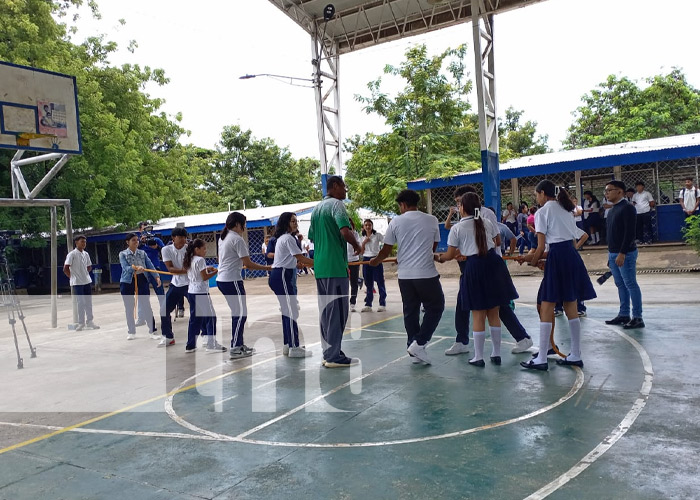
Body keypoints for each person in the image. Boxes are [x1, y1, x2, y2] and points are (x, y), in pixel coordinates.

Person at [520, 181, 597, 371]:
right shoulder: (566, 210)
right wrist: (534, 257)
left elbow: (540, 246)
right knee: (570, 305)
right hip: (571, 255)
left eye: (537, 194)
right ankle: (575, 354)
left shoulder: (542, 212)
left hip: (558, 256)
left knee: (546, 305)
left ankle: (542, 359)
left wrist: (531, 261)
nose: (536, 198)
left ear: (543, 193)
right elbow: (562, 243)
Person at [436, 192, 518, 367]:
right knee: (494, 313)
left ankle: (478, 356)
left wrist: (438, 258)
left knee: (478, 314)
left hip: (474, 267)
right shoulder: (487, 222)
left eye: (459, 205)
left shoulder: (458, 228)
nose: (458, 207)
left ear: (463, 208)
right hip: (494, 265)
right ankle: (496, 354)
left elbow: (449, 255)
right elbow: (497, 242)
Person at [369, 189, 444, 365]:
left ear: (402, 205)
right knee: (436, 306)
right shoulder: (431, 220)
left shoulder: (396, 222)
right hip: (426, 274)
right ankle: (419, 343)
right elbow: (432, 246)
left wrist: (376, 261)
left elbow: (386, 249)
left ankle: (414, 345)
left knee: (411, 311)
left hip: (405, 276)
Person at [309, 175, 362, 368]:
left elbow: (313, 237)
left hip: (321, 267)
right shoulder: (336, 205)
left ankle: (329, 351)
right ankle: (333, 356)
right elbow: (344, 232)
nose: (345, 191)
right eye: (344, 187)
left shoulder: (316, 209)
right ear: (335, 186)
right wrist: (357, 245)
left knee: (326, 311)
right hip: (335, 266)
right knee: (338, 311)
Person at [217, 212, 272, 360]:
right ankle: (235, 347)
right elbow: (248, 264)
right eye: (244, 224)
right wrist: (268, 268)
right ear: (237, 224)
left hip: (223, 280)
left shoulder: (224, 238)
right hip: (232, 280)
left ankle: (239, 344)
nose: (244, 227)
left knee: (238, 312)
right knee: (240, 313)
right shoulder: (237, 239)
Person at [268, 212, 315, 357]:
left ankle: (288, 345)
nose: (295, 224)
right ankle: (294, 346)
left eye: (296, 221)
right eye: (293, 221)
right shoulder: (288, 238)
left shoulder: (285, 238)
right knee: (290, 311)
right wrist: (322, 262)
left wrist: (297, 264)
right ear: (286, 223)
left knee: (287, 311)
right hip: (282, 275)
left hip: (281, 275)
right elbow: (301, 257)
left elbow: (294, 260)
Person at [604, 180, 645, 329]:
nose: (606, 193)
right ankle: (624, 314)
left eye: (609, 190)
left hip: (625, 253)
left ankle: (638, 317)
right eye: (606, 191)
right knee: (620, 284)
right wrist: (611, 255)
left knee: (630, 284)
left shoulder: (627, 208)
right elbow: (612, 233)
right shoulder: (613, 209)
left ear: (619, 191)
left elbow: (629, 233)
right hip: (613, 253)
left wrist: (622, 253)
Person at [183, 239, 226, 353]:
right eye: (204, 248)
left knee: (194, 319)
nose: (205, 251)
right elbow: (204, 277)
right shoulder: (200, 260)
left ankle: (190, 345)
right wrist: (216, 271)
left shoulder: (189, 259)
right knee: (211, 317)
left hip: (191, 291)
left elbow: (197, 273)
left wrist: (208, 269)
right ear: (197, 249)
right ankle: (211, 344)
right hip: (201, 292)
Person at [119, 233, 160, 340]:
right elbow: (125, 267)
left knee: (146, 305)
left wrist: (156, 276)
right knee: (129, 307)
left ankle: (152, 331)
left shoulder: (142, 253)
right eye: (133, 240)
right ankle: (131, 331)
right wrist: (136, 268)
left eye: (137, 240)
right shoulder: (122, 254)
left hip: (142, 279)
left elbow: (150, 265)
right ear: (127, 242)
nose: (136, 242)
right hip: (127, 281)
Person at [159, 227, 190, 347]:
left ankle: (207, 336)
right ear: (173, 238)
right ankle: (168, 337)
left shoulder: (189, 249)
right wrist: (185, 271)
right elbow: (170, 269)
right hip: (176, 284)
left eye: (184, 237)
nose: (183, 240)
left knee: (200, 310)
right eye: (180, 237)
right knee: (164, 310)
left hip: (190, 284)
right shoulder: (166, 249)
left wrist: (187, 271)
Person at [63, 235, 99, 331]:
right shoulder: (72, 254)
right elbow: (66, 268)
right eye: (82, 241)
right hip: (77, 282)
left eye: (85, 242)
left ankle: (90, 321)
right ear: (76, 242)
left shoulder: (86, 254)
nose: (84, 243)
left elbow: (89, 266)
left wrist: (85, 273)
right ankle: (81, 322)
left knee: (88, 302)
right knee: (81, 302)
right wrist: (72, 276)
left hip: (86, 281)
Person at [360, 219, 387, 312]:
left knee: (380, 281)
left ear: (372, 226)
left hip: (376, 258)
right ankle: (368, 304)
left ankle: (382, 303)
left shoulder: (377, 235)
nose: (367, 227)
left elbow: (386, 243)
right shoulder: (362, 237)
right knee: (368, 283)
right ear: (364, 227)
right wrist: (364, 242)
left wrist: (381, 254)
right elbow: (361, 251)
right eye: (366, 225)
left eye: (369, 225)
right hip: (366, 260)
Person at [347, 219, 362, 312]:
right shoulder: (341, 234)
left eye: (350, 225)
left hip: (354, 261)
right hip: (344, 261)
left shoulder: (355, 234)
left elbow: (359, 246)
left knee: (354, 283)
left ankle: (352, 303)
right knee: (344, 282)